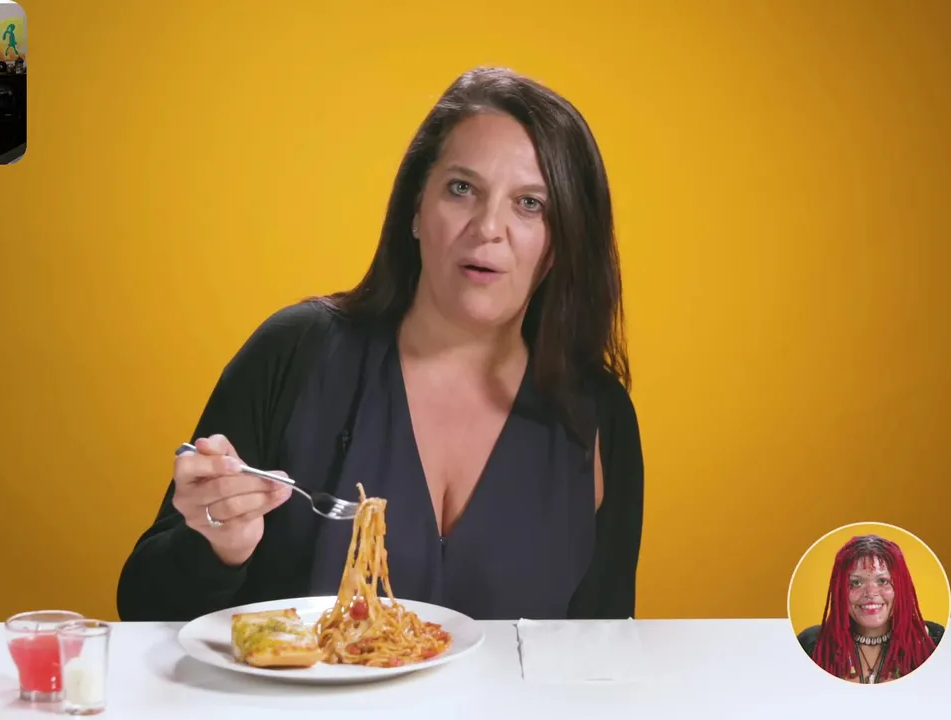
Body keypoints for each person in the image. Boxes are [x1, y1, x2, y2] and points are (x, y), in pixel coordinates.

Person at [117, 67, 644, 622]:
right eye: (462, 189)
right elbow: (143, 608)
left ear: (562, 242)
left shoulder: (600, 417)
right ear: (416, 209)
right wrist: (215, 547)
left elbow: (605, 653)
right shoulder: (293, 354)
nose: (488, 228)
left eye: (530, 204)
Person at [797, 534, 945, 683]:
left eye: (883, 581)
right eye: (856, 583)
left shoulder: (933, 641)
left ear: (902, 587)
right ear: (838, 590)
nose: (870, 593)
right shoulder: (811, 644)